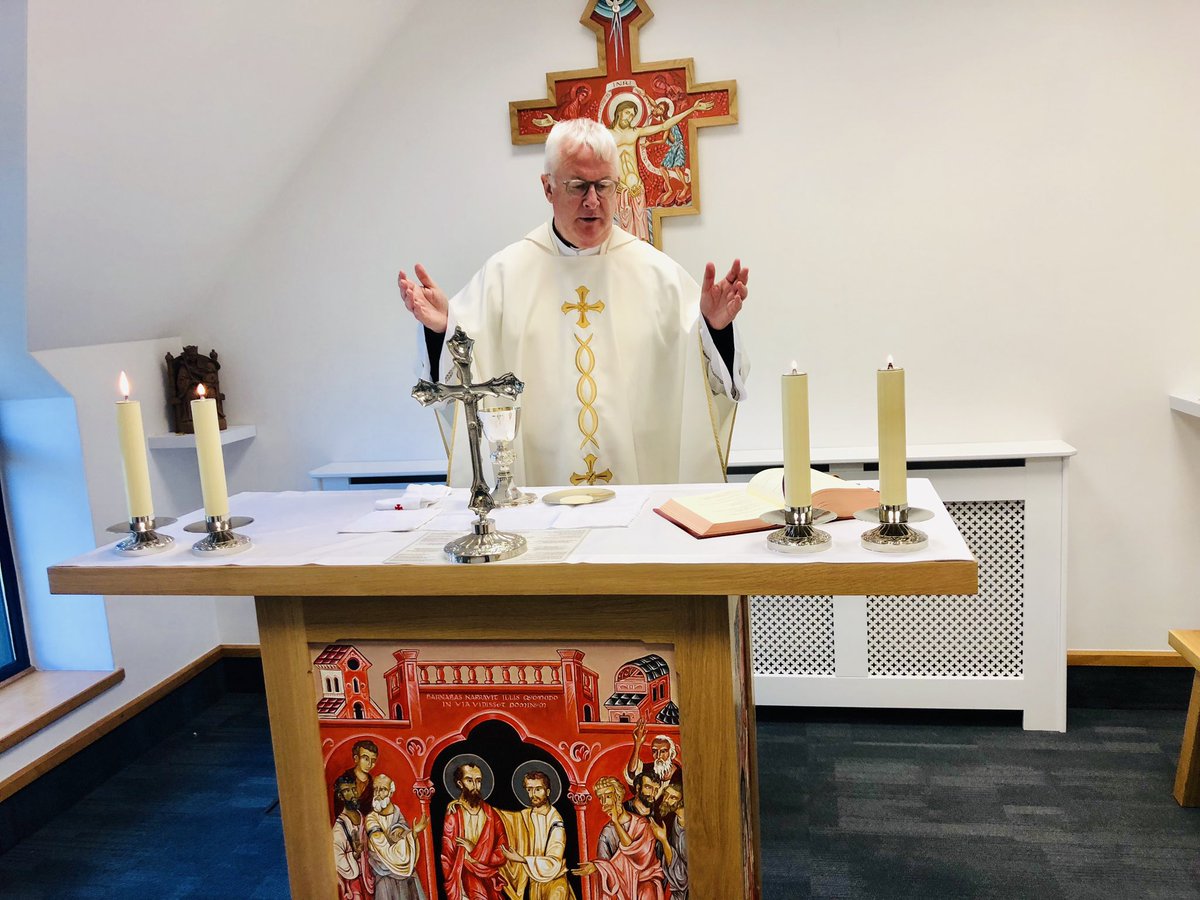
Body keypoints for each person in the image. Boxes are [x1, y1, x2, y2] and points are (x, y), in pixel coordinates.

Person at [398, 117, 749, 489]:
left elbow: (705, 380)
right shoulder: (504, 276)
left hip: (638, 496)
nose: (592, 200)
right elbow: (464, 379)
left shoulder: (659, 275)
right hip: (540, 501)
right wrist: (442, 330)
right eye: (578, 185)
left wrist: (715, 328)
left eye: (604, 186)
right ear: (547, 188)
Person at [573, 775, 669, 899]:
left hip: (643, 882)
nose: (604, 802)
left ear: (618, 797)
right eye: (601, 798)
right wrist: (596, 866)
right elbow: (605, 865)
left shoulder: (641, 824)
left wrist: (616, 823)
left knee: (647, 891)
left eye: (607, 796)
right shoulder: (607, 832)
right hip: (620, 886)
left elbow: (639, 858)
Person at [499, 771, 575, 900]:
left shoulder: (556, 821)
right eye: (529, 789)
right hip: (534, 884)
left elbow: (554, 861)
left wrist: (523, 859)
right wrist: (467, 807)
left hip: (555, 883)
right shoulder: (524, 816)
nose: (533, 794)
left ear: (548, 791)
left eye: (538, 789)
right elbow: (500, 817)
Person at [441, 763, 510, 900]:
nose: (475, 785)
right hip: (464, 876)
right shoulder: (454, 815)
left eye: (478, 781)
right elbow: (447, 856)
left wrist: (475, 850)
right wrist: (453, 883)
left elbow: (503, 851)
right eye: (469, 780)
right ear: (460, 783)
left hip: (488, 876)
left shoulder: (491, 814)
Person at [365, 774, 429, 900]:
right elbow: (383, 847)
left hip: (405, 877)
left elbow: (404, 838)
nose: (378, 793)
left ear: (390, 792)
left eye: (382, 789)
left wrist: (406, 834)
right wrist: (412, 834)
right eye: (375, 789)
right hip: (384, 876)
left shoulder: (397, 814)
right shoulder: (371, 819)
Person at [333, 774, 373, 900]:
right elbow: (337, 856)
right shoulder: (340, 827)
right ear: (341, 796)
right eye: (347, 791)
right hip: (355, 882)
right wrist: (355, 855)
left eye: (354, 789)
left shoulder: (362, 817)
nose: (353, 794)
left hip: (369, 875)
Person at [624, 722, 682, 801]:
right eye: (655, 751)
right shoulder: (648, 769)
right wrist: (638, 744)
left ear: (671, 753)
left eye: (663, 751)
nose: (658, 756)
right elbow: (632, 773)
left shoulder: (679, 774)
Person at [656, 783, 688, 900]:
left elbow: (682, 876)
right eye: (666, 795)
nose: (666, 800)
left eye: (673, 798)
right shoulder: (677, 819)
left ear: (682, 802)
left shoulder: (687, 833)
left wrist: (663, 840)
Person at [337, 739, 379, 819]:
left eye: (373, 760)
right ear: (356, 758)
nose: (369, 764)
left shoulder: (373, 785)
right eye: (366, 759)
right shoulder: (343, 781)